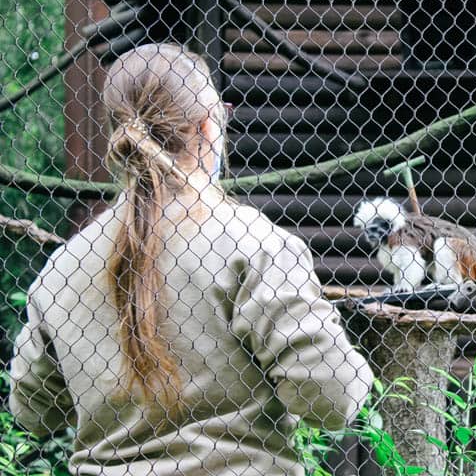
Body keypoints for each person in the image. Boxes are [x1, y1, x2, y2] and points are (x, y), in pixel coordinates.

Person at [9, 43, 374, 475]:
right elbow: (332, 398)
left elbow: (33, 412)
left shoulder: (65, 267)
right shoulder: (251, 241)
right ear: (207, 127)